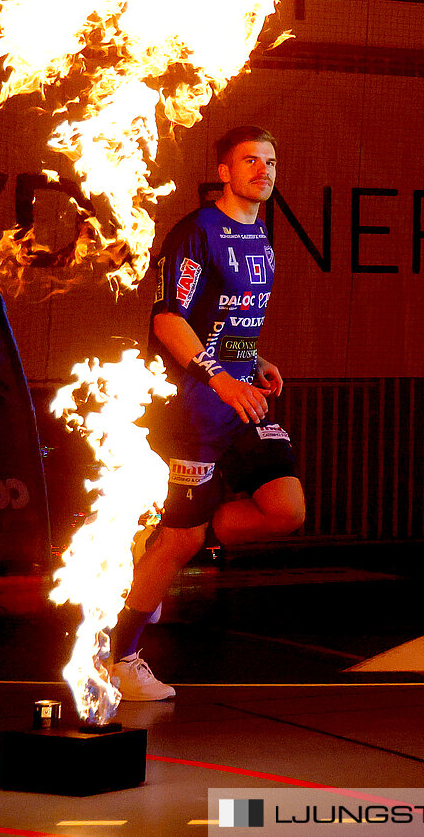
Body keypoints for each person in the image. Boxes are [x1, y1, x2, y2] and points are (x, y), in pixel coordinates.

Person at [108, 128, 303, 701]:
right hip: (195, 402)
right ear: (224, 172)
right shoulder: (197, 231)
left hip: (242, 393)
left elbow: (227, 325)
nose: (263, 170)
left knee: (285, 510)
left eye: (270, 161)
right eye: (250, 161)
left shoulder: (262, 233)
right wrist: (217, 375)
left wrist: (254, 358)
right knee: (181, 542)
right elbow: (170, 321)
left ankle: (174, 536)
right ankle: (121, 656)